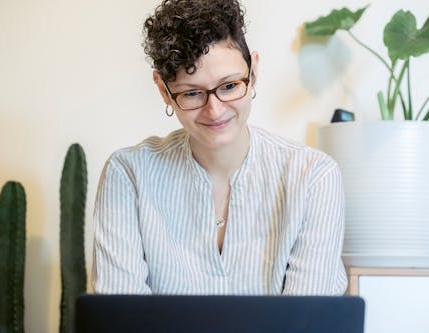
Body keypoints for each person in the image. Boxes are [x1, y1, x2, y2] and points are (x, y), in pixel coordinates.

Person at [92, 0, 347, 296]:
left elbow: (306, 323)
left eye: (229, 86)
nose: (214, 111)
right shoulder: (128, 176)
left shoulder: (314, 177)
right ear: (164, 91)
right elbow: (124, 320)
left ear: (252, 74)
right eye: (192, 93)